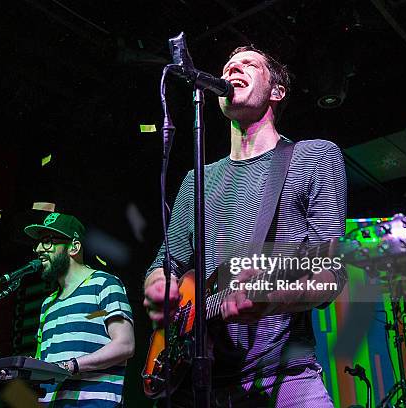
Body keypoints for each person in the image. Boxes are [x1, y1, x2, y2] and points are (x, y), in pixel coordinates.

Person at [143, 45, 347, 407]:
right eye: (228, 66)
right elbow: (167, 262)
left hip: (284, 377)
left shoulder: (313, 156)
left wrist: (271, 299)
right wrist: (158, 284)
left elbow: (329, 275)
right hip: (197, 383)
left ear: (276, 92)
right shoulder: (197, 180)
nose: (233, 69)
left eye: (248, 64)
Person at [26, 212, 135, 407]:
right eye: (38, 243)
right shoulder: (47, 304)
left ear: (74, 247)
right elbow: (42, 361)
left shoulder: (104, 284)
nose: (39, 249)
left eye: (48, 241)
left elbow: (125, 345)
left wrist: (71, 366)